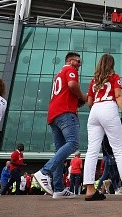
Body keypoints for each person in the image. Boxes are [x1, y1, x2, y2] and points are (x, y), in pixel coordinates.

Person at [82, 54, 122, 201]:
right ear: (112, 64)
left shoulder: (94, 81)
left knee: (92, 150)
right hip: (109, 108)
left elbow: (89, 102)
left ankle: (90, 190)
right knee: (119, 149)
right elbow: (118, 95)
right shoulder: (114, 77)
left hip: (95, 110)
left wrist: (97, 110)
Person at [34, 52, 87, 199]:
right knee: (73, 143)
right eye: (77, 61)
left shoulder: (58, 74)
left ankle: (58, 189)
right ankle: (44, 172)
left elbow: (65, 91)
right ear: (69, 61)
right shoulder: (70, 69)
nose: (79, 64)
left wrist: (76, 100)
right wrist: (82, 96)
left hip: (54, 114)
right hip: (65, 112)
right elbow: (72, 85)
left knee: (60, 151)